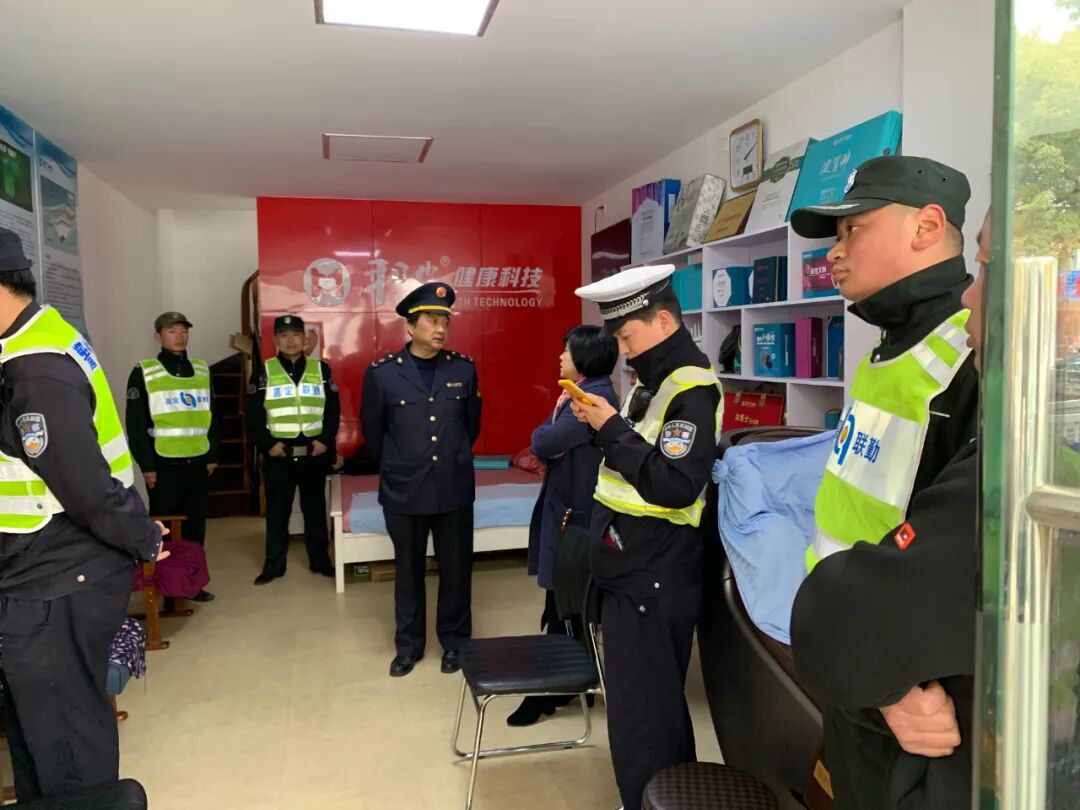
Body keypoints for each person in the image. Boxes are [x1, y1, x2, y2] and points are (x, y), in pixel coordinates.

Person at [787, 158, 983, 809]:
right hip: (860, 668)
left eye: (854, 230)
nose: (834, 254)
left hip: (918, 704)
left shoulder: (971, 355)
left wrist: (895, 684)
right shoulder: (889, 346)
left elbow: (969, 556)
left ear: (926, 227)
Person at [0, 227, 168, 799]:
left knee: (62, 734)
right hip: (48, 566)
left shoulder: (34, 367)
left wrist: (142, 537)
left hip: (57, 570)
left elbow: (85, 483)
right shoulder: (37, 337)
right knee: (38, 724)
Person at [573, 264, 723, 810]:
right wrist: (605, 425)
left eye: (627, 337)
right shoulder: (654, 381)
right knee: (641, 707)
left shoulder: (692, 389)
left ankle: (650, 801)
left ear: (663, 322)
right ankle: (654, 799)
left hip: (653, 576)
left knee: (646, 713)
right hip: (630, 569)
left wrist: (610, 427)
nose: (623, 351)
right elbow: (637, 462)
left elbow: (675, 485)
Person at [360, 281, 481, 678]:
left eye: (445, 320)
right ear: (410, 326)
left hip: (453, 487)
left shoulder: (463, 369)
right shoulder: (381, 374)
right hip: (404, 489)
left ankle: (455, 643)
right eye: (432, 320)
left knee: (456, 570)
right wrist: (405, 462)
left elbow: (471, 427)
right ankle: (408, 647)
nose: (441, 328)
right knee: (408, 571)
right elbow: (374, 433)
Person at [507, 324, 619, 727]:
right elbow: (543, 437)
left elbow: (543, 443)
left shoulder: (593, 398)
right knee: (561, 604)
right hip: (568, 512)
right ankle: (566, 682)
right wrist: (547, 437)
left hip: (577, 517)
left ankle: (552, 689)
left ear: (585, 356)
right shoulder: (575, 394)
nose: (560, 357)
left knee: (567, 606)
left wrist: (547, 439)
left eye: (567, 351)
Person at [125, 310, 218, 602]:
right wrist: (146, 466)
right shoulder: (144, 371)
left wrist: (213, 454)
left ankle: (192, 584)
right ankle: (167, 589)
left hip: (198, 461)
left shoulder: (201, 370)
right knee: (164, 529)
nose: (179, 336)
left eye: (183, 331)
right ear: (158, 336)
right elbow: (135, 425)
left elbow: (213, 416)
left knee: (195, 527)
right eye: (172, 331)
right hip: (163, 465)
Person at [247, 314, 340, 585]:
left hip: (313, 453)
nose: (290, 341)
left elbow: (332, 410)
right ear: (276, 339)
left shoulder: (321, 370)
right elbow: (253, 416)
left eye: (296, 335)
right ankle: (274, 566)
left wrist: (325, 440)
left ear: (305, 338)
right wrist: (268, 445)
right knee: (278, 513)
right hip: (279, 455)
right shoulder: (263, 372)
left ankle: (320, 562)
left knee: (315, 511)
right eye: (284, 335)